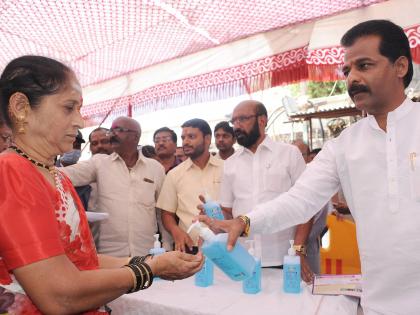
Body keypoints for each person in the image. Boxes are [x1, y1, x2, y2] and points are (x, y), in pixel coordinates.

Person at [199, 20, 418, 315]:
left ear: (401, 67)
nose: (352, 78)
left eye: (364, 66)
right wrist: (245, 222)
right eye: (347, 70)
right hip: (379, 302)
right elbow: (299, 201)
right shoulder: (343, 146)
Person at [0, 55, 203, 314]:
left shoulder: (57, 176)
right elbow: (58, 295)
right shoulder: (11, 171)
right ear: (21, 107)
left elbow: (83, 262)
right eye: (68, 107)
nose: (80, 121)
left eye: (79, 109)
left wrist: (152, 260)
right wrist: (151, 269)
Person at [220, 100, 317, 282]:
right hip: (243, 258)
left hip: (284, 258)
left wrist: (298, 251)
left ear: (262, 120)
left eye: (243, 119)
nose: (237, 126)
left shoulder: (289, 154)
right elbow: (227, 211)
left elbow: (306, 205)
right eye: (234, 121)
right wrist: (210, 216)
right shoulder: (230, 164)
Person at [63, 116, 173, 256]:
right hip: (109, 256)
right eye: (111, 130)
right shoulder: (99, 164)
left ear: (135, 136)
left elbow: (162, 211)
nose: (112, 134)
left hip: (146, 253)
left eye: (119, 130)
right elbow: (64, 175)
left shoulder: (155, 168)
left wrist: (167, 246)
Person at [157, 118, 223, 252]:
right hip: (189, 248)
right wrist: (176, 231)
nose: (185, 142)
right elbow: (167, 214)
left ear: (207, 139)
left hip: (224, 245)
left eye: (191, 137)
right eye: (183, 137)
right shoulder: (174, 174)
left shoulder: (227, 169)